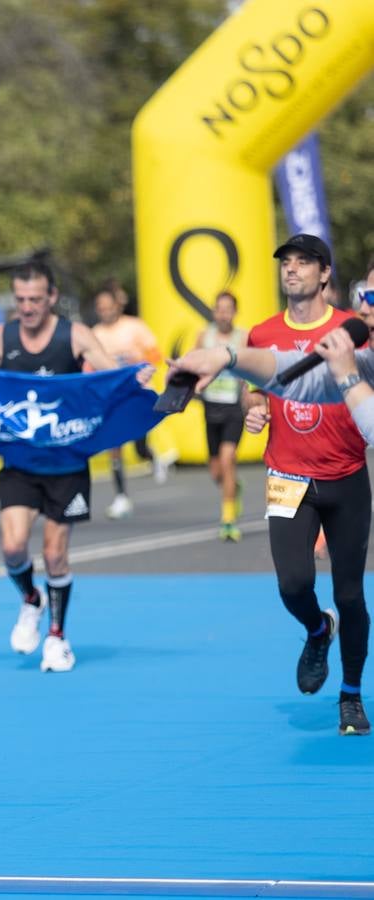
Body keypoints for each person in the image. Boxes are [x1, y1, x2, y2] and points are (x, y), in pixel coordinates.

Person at [169, 235, 370, 737]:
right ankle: (317, 630)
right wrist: (255, 409)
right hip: (288, 475)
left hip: (345, 474)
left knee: (350, 594)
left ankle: (350, 696)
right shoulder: (263, 332)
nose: (292, 269)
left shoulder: (352, 329)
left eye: (304, 262)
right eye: (286, 262)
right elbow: (255, 390)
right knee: (293, 584)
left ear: (325, 273)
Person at [0, 261, 132, 674]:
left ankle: (57, 637)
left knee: (54, 554)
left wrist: (141, 383)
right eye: (20, 300)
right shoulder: (1, 337)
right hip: (20, 464)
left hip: (66, 465)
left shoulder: (75, 335)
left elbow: (115, 376)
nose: (27, 307)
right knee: (13, 548)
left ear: (52, 297)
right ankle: (30, 599)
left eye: (35, 299)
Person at [90, 284, 168, 519]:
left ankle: (152, 456)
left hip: (138, 392)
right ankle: (121, 497)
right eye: (101, 308)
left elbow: (156, 355)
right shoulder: (95, 333)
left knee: (139, 446)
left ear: (117, 305)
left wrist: (138, 358)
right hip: (113, 395)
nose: (105, 311)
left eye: (109, 306)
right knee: (114, 444)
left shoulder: (134, 326)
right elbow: (89, 365)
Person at [193, 291, 248, 542]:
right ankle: (233, 487)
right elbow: (193, 364)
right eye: (219, 309)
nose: (223, 314)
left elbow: (251, 370)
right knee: (216, 471)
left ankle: (228, 520)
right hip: (211, 407)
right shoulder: (204, 336)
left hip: (234, 408)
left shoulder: (243, 338)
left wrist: (250, 397)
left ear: (235, 312)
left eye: (228, 309)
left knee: (227, 459)